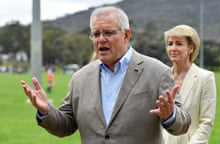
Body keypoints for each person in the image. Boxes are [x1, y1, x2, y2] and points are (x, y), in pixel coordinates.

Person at [20, 6, 191, 144]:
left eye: (108, 33)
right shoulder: (80, 78)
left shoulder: (157, 72)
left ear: (126, 35)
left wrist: (170, 115)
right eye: (96, 34)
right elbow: (65, 125)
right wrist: (45, 111)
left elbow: (183, 123)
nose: (101, 39)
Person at [162, 24, 216, 144]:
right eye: (170, 44)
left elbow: (206, 122)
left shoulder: (205, 78)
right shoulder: (161, 77)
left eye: (179, 43)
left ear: (191, 48)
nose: (173, 48)